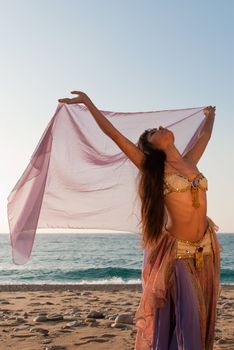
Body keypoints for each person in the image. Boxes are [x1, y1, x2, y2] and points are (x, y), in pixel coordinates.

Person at [58, 91, 221, 350]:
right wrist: (88, 102)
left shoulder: (190, 161)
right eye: (152, 133)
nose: (158, 128)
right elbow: (115, 135)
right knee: (188, 321)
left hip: (207, 249)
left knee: (202, 318)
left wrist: (210, 116)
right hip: (177, 254)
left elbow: (206, 135)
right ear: (151, 146)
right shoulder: (152, 167)